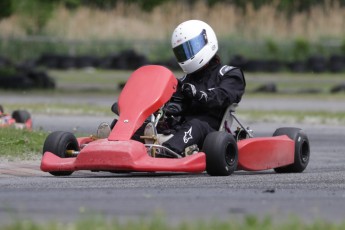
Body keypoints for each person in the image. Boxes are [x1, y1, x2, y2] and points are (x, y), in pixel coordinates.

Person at [161, 19, 246, 157]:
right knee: (148, 121)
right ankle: (118, 143)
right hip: (179, 129)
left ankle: (167, 151)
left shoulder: (229, 74)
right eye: (183, 52)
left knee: (196, 125)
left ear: (206, 40)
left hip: (212, 134)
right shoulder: (182, 82)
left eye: (191, 48)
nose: (187, 56)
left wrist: (199, 94)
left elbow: (224, 95)